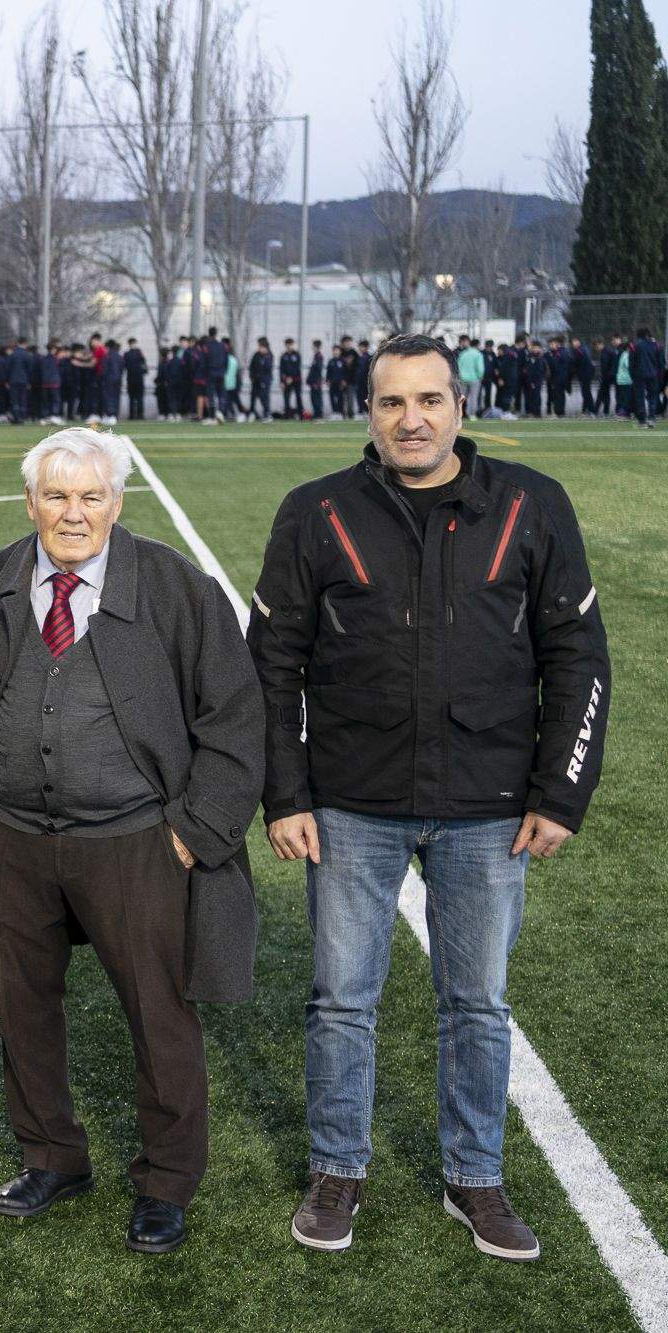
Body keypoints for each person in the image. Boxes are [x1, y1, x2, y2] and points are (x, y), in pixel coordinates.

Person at [250, 333, 611, 1263]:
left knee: (478, 1003)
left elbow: (578, 657)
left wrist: (560, 793)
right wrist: (284, 793)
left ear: (460, 406)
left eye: (429, 400)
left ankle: (476, 1178)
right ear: (366, 412)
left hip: (488, 805)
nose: (411, 419)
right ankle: (338, 1169)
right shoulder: (315, 511)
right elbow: (270, 664)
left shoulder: (533, 505)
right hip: (349, 804)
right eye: (390, 403)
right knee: (341, 1002)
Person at [0, 427, 263, 1255]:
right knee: (22, 1009)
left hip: (138, 842)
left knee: (159, 1014)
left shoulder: (180, 589)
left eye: (90, 496)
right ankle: (52, 1156)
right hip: (9, 838)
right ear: (30, 500)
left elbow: (235, 719)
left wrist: (190, 838)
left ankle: (166, 1179)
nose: (72, 513)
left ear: (117, 500)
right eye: (55, 495)